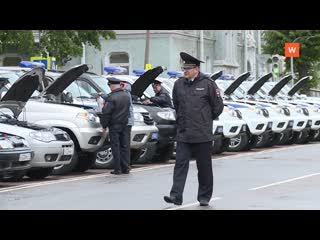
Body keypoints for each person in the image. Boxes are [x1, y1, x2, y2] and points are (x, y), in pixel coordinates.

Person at [163, 52, 224, 206]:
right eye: (184, 68)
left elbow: (218, 107)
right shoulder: (178, 84)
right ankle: (176, 195)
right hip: (184, 132)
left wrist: (204, 119)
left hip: (202, 133)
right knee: (180, 165)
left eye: (188, 69)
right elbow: (176, 104)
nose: (185, 71)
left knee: (204, 168)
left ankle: (204, 196)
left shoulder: (208, 84)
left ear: (196, 69)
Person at [100, 77, 131, 175]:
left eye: (109, 85)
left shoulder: (111, 97)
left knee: (115, 147)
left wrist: (104, 126)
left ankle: (117, 169)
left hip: (114, 125)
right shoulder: (126, 95)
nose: (109, 88)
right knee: (125, 146)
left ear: (112, 85)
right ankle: (125, 168)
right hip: (125, 124)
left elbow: (106, 113)